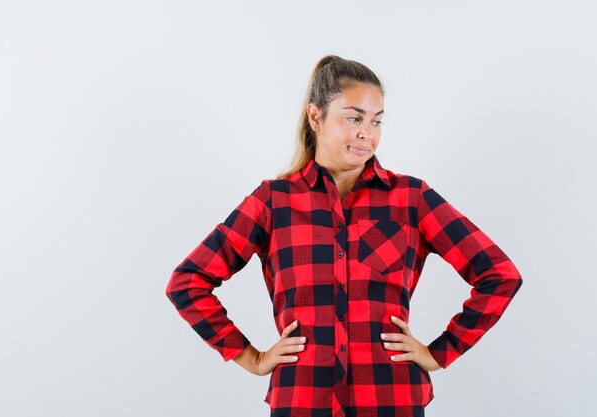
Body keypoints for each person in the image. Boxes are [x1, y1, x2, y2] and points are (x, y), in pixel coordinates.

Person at [165, 55, 523, 417]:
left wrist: (439, 352)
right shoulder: (273, 201)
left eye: (376, 121)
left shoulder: (411, 199)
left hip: (390, 402)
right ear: (315, 117)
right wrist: (253, 358)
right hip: (302, 403)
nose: (367, 133)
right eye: (353, 118)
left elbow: (499, 275)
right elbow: (187, 283)